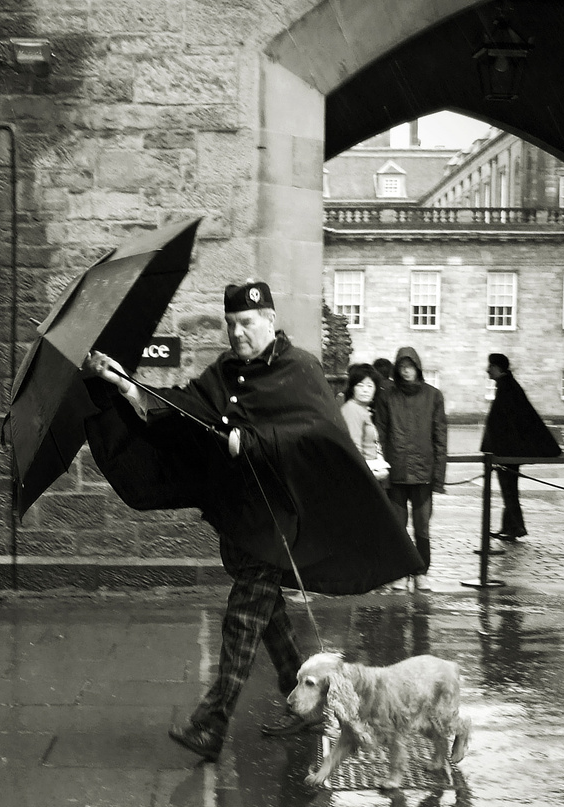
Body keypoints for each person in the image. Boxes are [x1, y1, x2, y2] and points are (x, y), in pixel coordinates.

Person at [80, 281, 422, 762]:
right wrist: (122, 383)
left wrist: (257, 441)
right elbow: (186, 408)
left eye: (247, 323)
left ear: (270, 319)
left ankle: (212, 723)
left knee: (243, 618)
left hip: (281, 518)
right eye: (231, 324)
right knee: (268, 614)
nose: (238, 333)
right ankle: (301, 697)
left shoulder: (298, 368)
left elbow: (319, 433)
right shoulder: (226, 371)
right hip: (243, 516)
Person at [377, 346, 448, 592]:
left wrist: (438, 477)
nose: (406, 372)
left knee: (422, 527)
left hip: (423, 473)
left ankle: (420, 571)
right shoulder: (388, 395)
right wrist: (382, 471)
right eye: (402, 368)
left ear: (417, 367)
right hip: (395, 472)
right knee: (398, 526)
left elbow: (440, 436)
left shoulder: (433, 396)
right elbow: (381, 434)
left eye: (410, 367)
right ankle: (400, 571)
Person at [480, 352, 561, 540]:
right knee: (509, 489)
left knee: (508, 489)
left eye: (490, 366)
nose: (487, 370)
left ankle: (516, 527)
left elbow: (505, 423)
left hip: (506, 451)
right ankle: (510, 527)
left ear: (497, 367)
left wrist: (497, 450)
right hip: (507, 450)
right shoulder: (507, 386)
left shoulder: (507, 388)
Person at [341, 365, 389, 481]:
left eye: (369, 386)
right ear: (352, 388)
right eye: (360, 385)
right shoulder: (352, 409)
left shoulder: (362, 409)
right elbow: (353, 447)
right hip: (361, 476)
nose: (365, 390)